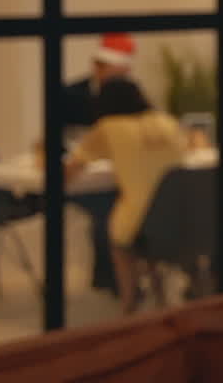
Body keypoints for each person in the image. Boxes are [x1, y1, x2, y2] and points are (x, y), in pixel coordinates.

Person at [64, 78, 188, 314]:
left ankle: (128, 303)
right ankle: (159, 296)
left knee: (119, 232)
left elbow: (71, 169)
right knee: (145, 232)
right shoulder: (166, 121)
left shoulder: (109, 126)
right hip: (178, 214)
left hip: (139, 217)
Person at [60, 32, 137, 296]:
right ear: (98, 67)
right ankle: (111, 277)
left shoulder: (129, 96)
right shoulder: (70, 94)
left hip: (121, 174)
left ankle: (119, 277)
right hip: (86, 177)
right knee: (106, 206)